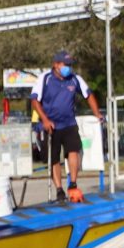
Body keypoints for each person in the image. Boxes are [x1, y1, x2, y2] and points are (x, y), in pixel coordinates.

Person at [37, 51, 93, 204]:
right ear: (56, 65)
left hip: (69, 123)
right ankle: (59, 190)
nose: (68, 67)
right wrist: (45, 120)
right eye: (65, 64)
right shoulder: (45, 79)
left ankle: (73, 184)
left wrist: (97, 114)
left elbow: (88, 94)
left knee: (73, 151)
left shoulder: (75, 79)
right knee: (53, 158)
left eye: (70, 64)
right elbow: (35, 101)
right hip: (51, 125)